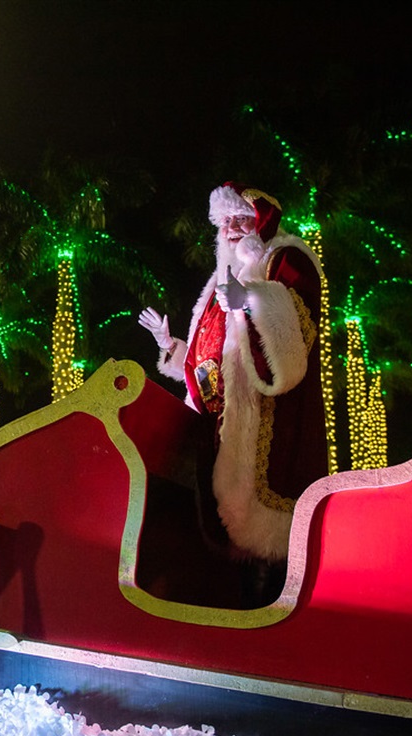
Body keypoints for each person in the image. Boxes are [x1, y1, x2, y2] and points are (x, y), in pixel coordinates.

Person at [138, 183, 326, 600]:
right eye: (224, 222)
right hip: (217, 426)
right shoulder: (216, 284)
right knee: (223, 540)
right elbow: (211, 360)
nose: (230, 229)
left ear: (261, 219)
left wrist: (251, 299)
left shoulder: (284, 258)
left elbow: (297, 329)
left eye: (240, 219)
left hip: (268, 424)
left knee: (266, 545)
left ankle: (270, 614)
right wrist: (170, 347)